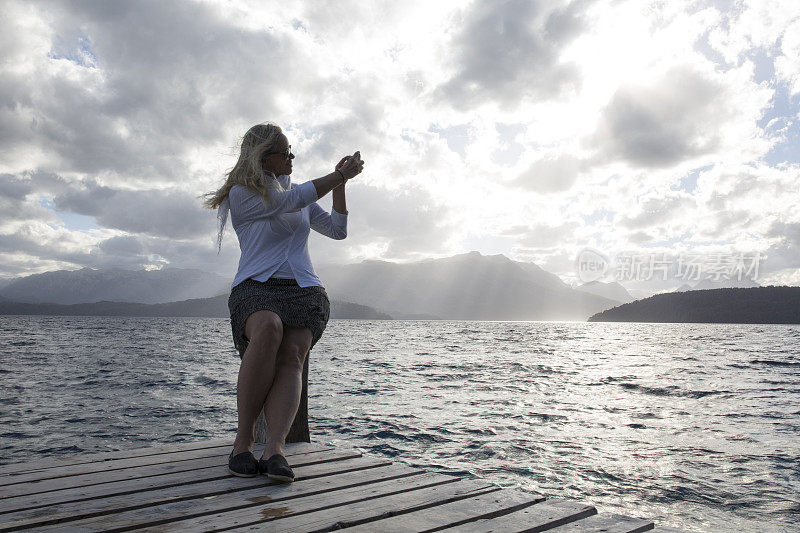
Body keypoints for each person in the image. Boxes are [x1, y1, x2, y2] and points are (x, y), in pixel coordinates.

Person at [203, 122, 364, 481]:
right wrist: (336, 175)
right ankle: (242, 443)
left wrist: (342, 185)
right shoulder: (243, 193)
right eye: (285, 152)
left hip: (304, 289)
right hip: (256, 286)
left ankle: (275, 449)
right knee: (269, 328)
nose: (292, 158)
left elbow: (338, 230)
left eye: (293, 151)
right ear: (262, 156)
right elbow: (287, 202)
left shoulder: (300, 193)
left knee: (292, 355)